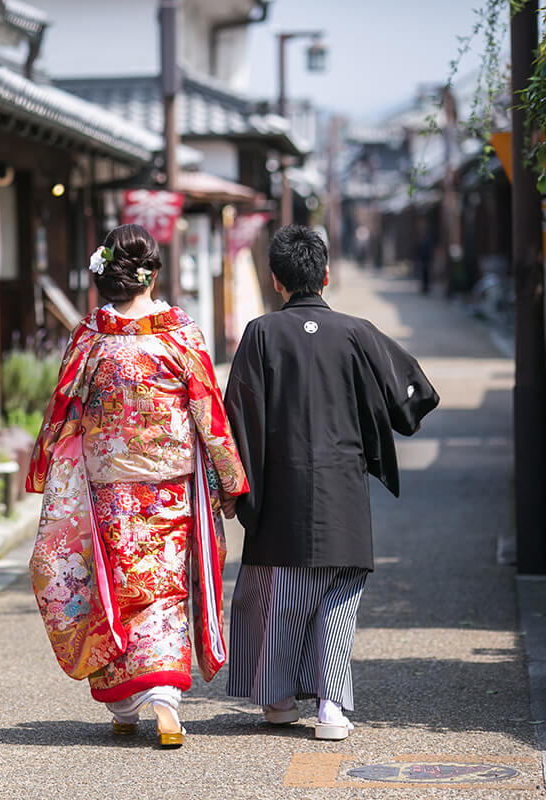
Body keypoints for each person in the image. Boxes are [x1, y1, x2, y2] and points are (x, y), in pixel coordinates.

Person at [26, 223, 248, 748]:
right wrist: (230, 480)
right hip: (170, 488)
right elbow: (208, 414)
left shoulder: (90, 338)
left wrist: (44, 469)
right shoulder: (179, 334)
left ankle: (125, 706)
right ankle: (165, 704)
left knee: (115, 587)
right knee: (164, 589)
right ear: (152, 275)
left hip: (109, 489)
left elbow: (63, 411)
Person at [222, 224, 439, 740]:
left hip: (280, 495)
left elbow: (239, 418)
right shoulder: (357, 332)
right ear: (325, 275)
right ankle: (331, 708)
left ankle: (277, 701)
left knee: (277, 602)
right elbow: (412, 395)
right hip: (343, 494)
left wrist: (234, 489)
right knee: (338, 605)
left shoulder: (260, 333)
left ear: (276, 280)